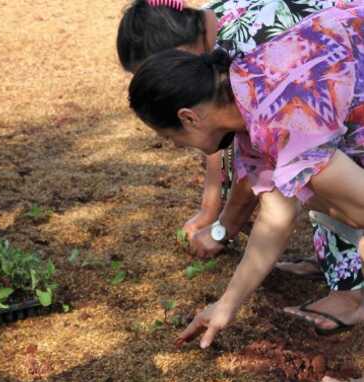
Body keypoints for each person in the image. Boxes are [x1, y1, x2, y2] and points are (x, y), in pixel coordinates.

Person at [127, 2, 364, 349]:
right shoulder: (246, 100)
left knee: (331, 197)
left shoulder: (277, 117)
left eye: (169, 137)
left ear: (189, 117)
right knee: (323, 198)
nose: (176, 146)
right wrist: (227, 305)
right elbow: (275, 218)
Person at [117, 0, 349, 261]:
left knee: (322, 178)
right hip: (337, 92)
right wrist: (211, 210)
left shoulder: (245, 52)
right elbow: (224, 136)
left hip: (346, 90)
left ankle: (350, 288)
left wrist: (223, 226)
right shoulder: (210, 25)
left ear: (179, 52)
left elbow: (258, 156)